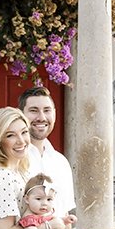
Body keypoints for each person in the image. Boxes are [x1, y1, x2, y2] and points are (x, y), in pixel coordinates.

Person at [21, 87, 74, 218]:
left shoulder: (61, 162)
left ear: (54, 114)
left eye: (47, 110)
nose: (41, 117)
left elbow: (64, 214)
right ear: (21, 114)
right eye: (33, 111)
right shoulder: (12, 158)